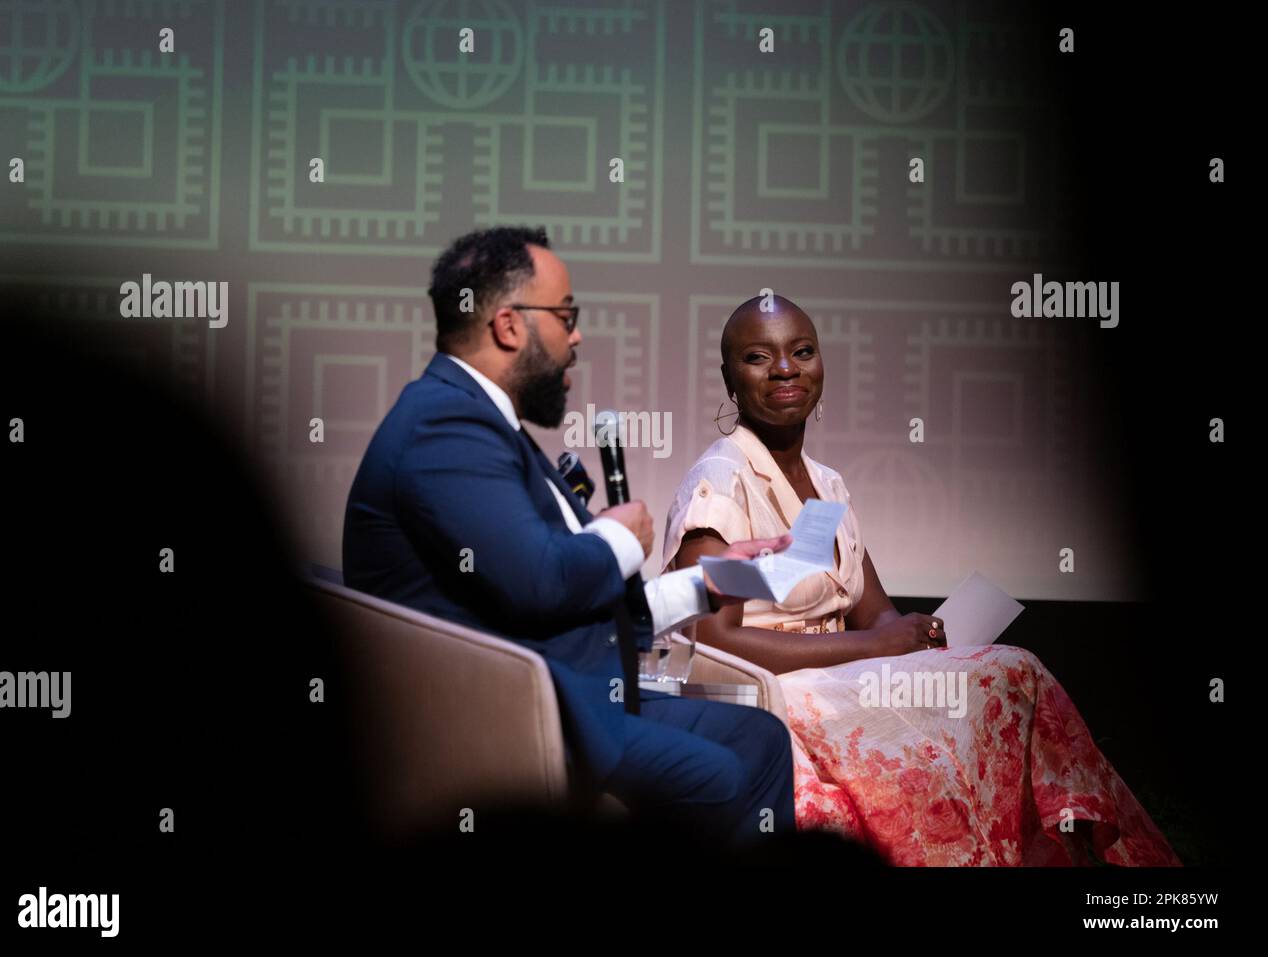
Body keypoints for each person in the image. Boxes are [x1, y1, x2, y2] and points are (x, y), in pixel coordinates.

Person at [663, 294, 1181, 865]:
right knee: (1009, 672)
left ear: (821, 366)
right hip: (772, 694)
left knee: (1003, 672)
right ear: (730, 379)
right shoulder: (722, 479)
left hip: (842, 680)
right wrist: (875, 645)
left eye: (802, 352)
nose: (786, 368)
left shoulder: (826, 485)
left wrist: (915, 636)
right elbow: (711, 638)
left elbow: (874, 613)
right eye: (759, 357)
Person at [343, 227, 796, 847]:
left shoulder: (487, 423)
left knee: (761, 738)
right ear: (507, 325)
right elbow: (542, 581)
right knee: (715, 774)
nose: (576, 336)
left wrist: (707, 583)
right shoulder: (443, 425)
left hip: (580, 685)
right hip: (508, 712)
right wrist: (620, 538)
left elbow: (567, 592)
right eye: (566, 315)